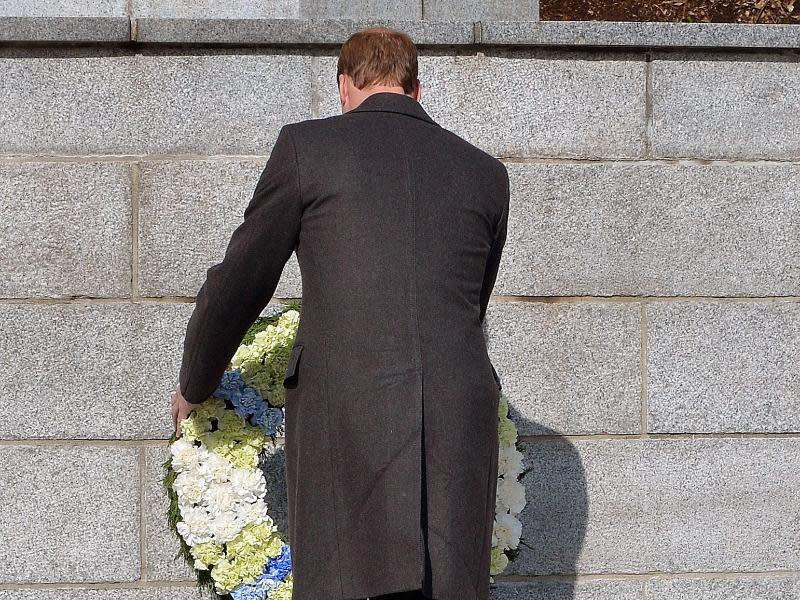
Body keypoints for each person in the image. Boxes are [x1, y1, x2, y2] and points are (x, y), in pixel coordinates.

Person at [171, 26, 509, 600]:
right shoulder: (485, 173)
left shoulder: (308, 149)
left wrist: (195, 381)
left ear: (344, 87)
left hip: (346, 415)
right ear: (416, 88)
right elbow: (471, 303)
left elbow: (241, 281)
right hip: (456, 417)